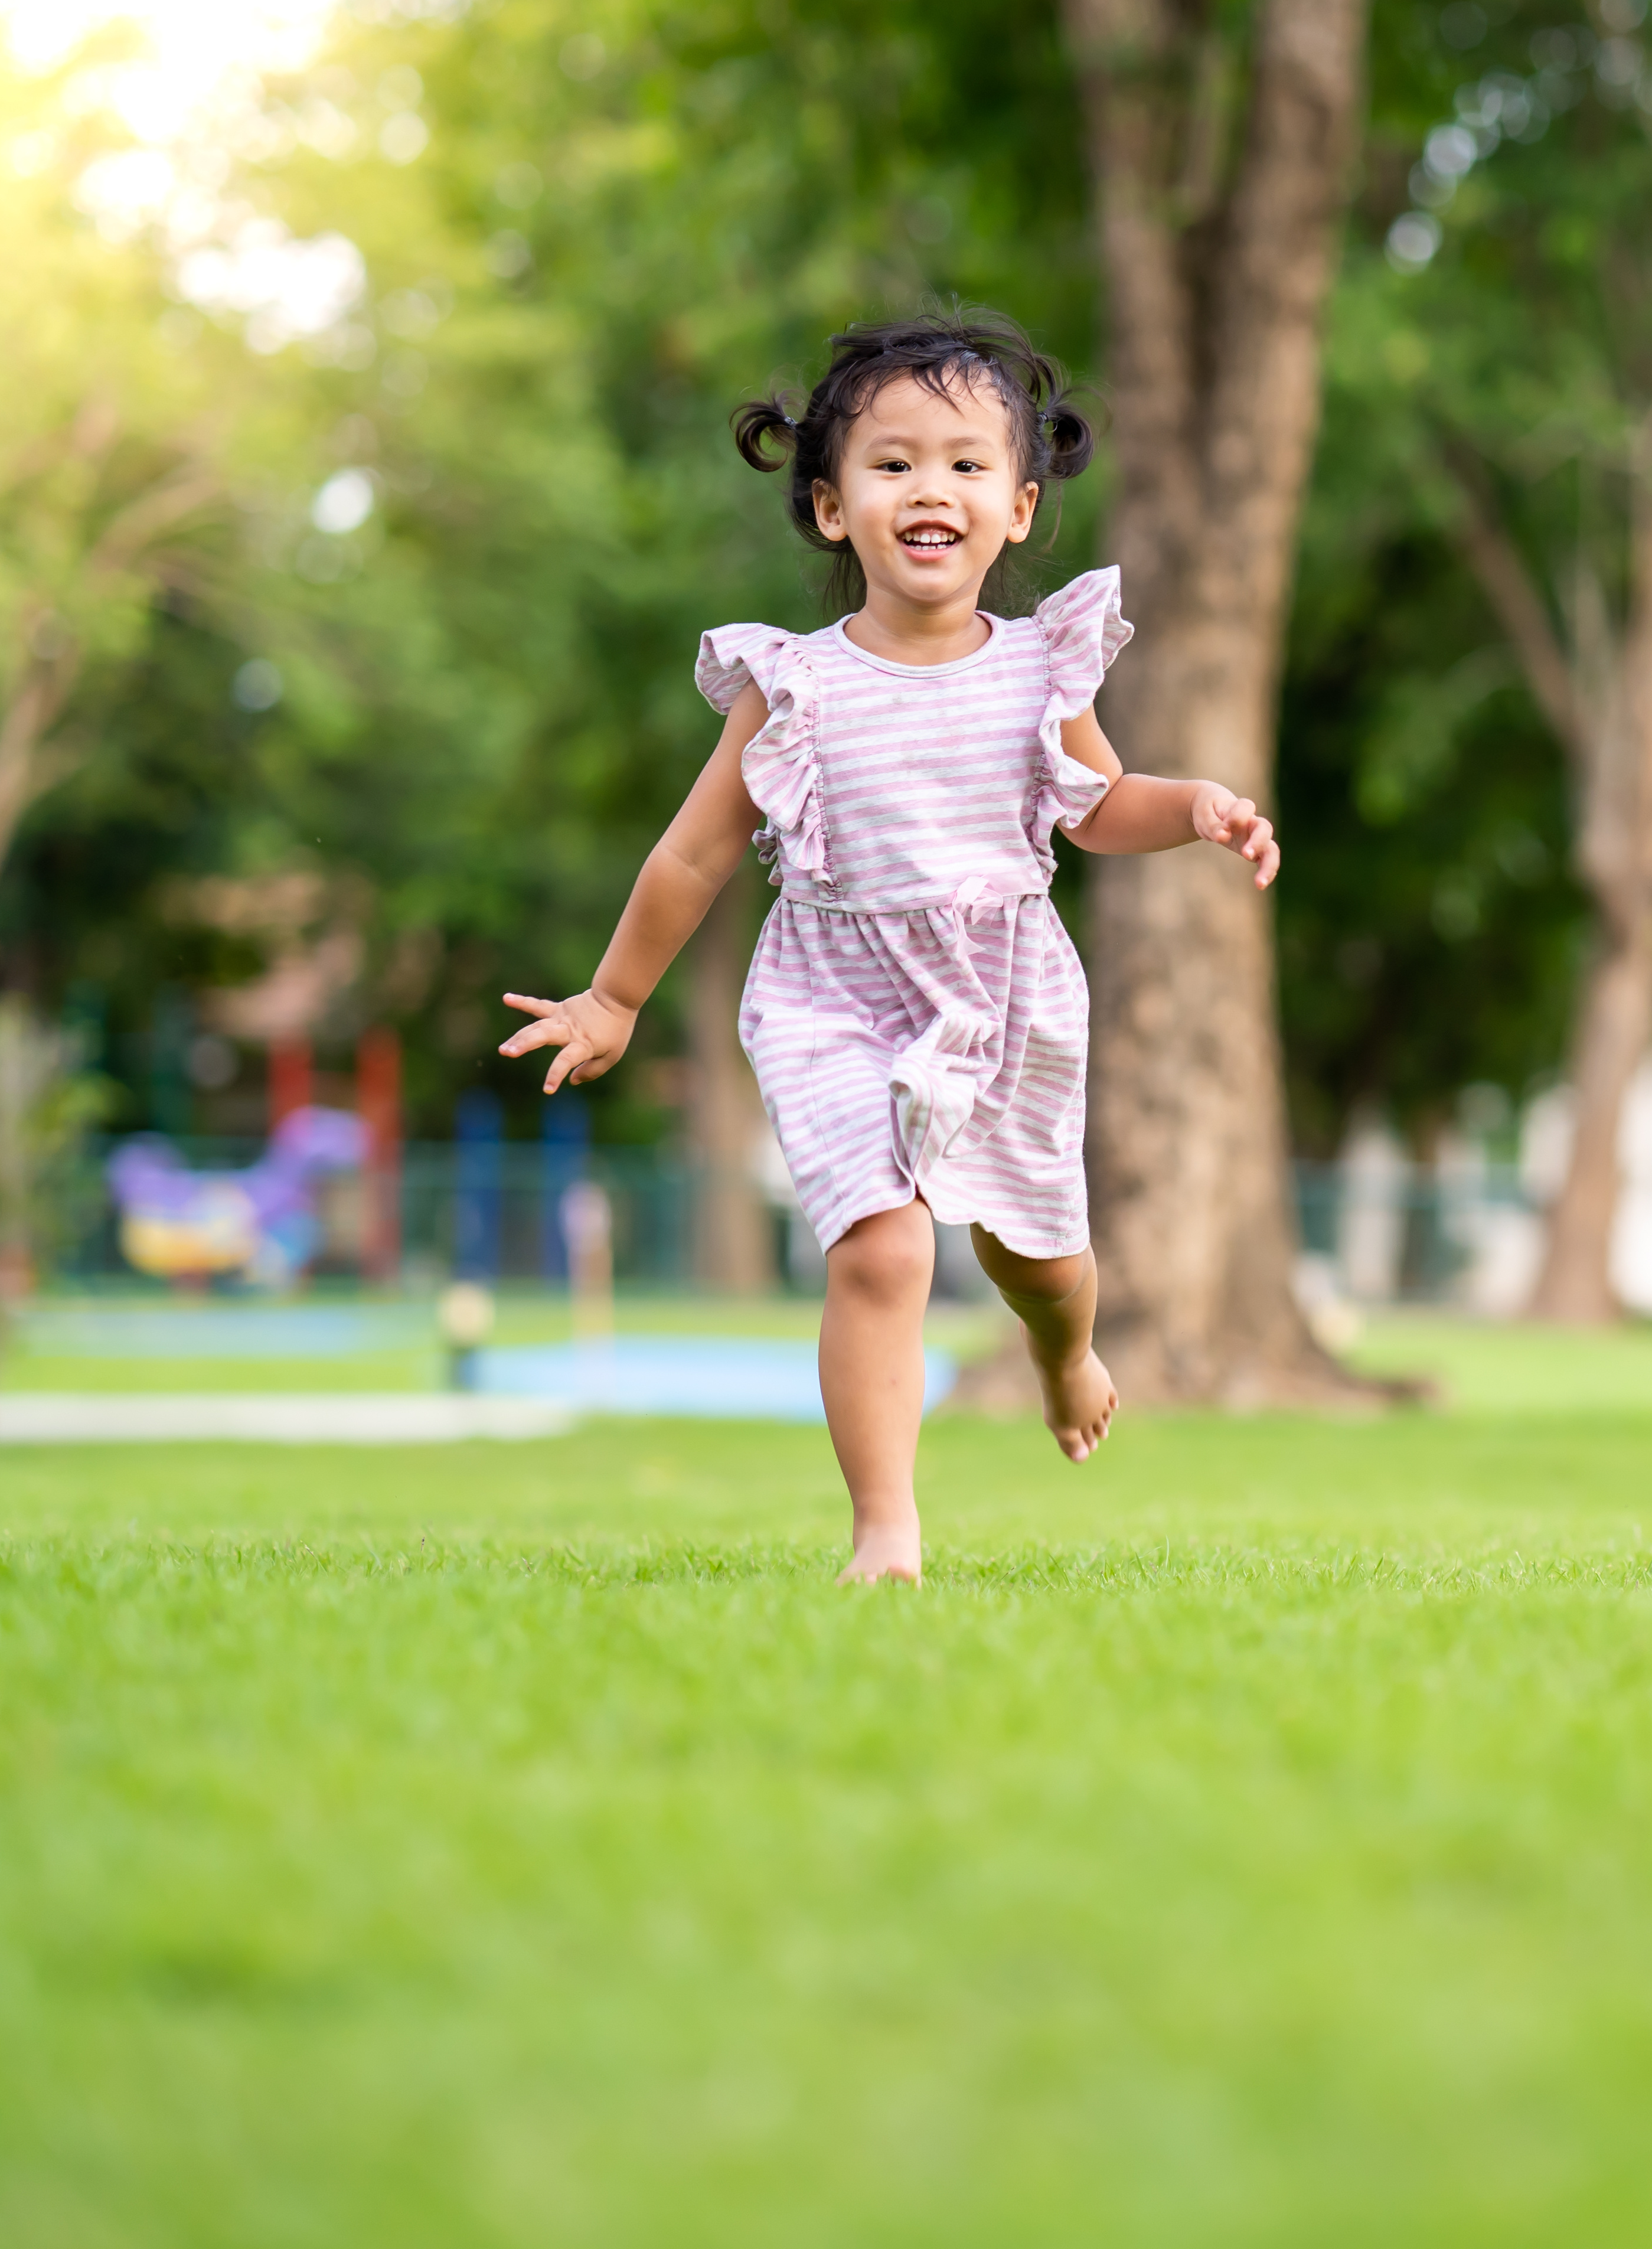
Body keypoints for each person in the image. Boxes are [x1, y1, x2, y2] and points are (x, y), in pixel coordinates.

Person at [499, 312, 1279, 1584]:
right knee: (883, 1242)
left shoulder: (1042, 668)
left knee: (1041, 1257)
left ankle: (1062, 1350)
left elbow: (1100, 806)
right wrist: (612, 996)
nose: (933, 488)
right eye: (894, 462)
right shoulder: (791, 683)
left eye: (969, 465)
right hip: (832, 993)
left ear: (1020, 508)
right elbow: (694, 854)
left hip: (1008, 994)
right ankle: (886, 1530)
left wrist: (1193, 806)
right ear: (829, 507)